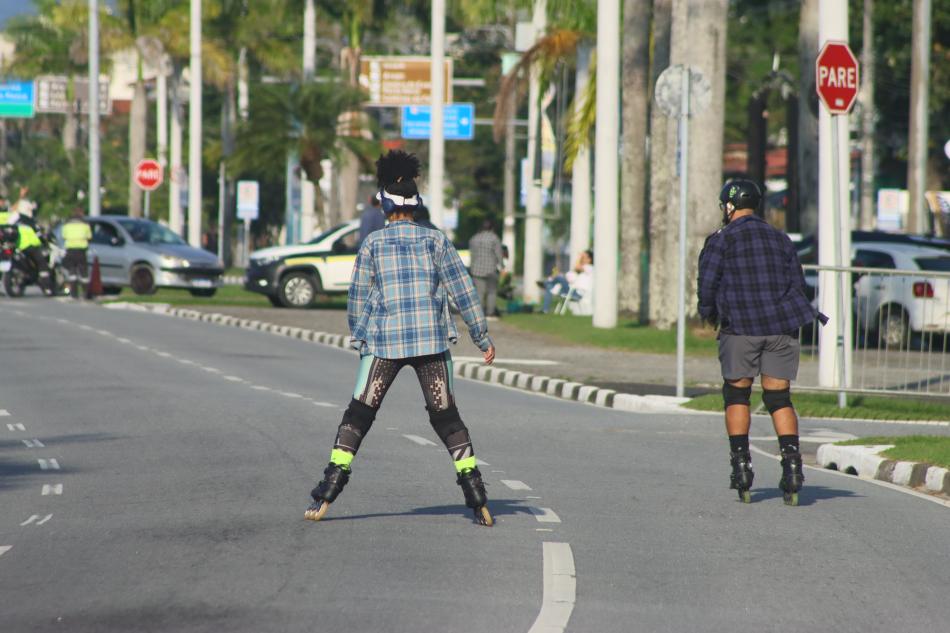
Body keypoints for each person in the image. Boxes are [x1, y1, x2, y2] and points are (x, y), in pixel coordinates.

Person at [305, 150, 497, 526]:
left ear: (386, 205)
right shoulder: (437, 241)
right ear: (416, 204)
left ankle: (328, 490)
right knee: (447, 418)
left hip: (384, 343)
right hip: (432, 343)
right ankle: (477, 496)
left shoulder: (372, 244)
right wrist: (482, 337)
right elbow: (464, 292)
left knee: (359, 415)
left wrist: (360, 338)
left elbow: (358, 299)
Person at [697, 179, 824, 506]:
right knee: (779, 397)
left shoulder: (721, 239)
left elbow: (708, 284)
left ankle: (741, 467)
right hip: (781, 327)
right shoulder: (780, 238)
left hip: (741, 327)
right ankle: (793, 467)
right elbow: (798, 284)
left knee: (737, 393)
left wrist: (708, 313)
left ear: (729, 206)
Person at [0, 209, 49, 289]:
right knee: (42, 264)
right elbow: (39, 233)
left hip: (15, 246)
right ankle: (47, 286)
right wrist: (44, 241)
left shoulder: (11, 220)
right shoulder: (25, 220)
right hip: (28, 246)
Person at [468, 219, 504, 317]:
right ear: (492, 228)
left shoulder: (474, 238)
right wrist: (502, 265)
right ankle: (490, 312)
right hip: (491, 269)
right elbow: (498, 253)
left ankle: (478, 314)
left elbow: (472, 255)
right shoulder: (494, 238)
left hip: (476, 270)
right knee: (491, 292)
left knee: (479, 292)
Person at [539, 249, 593, 313]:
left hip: (577, 293)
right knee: (549, 286)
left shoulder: (589, 267)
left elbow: (577, 267)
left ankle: (546, 283)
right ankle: (545, 309)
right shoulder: (580, 271)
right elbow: (569, 277)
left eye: (583, 257)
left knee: (558, 278)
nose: (582, 259)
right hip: (570, 290)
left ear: (589, 259)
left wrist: (579, 257)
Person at [61, 208, 92, 299]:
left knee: (72, 272)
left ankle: (74, 294)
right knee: (83, 273)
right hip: (81, 251)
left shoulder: (67, 225)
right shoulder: (85, 225)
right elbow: (89, 237)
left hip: (70, 250)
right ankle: (85, 293)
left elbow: (64, 236)